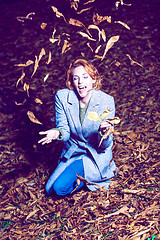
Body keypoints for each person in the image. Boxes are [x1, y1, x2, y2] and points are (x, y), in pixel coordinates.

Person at [38, 59, 117, 196]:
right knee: (49, 189)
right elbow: (64, 130)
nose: (80, 82)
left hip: (95, 154)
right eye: (76, 78)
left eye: (85, 77)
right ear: (72, 83)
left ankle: (97, 173)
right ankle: (82, 175)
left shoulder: (106, 101)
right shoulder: (62, 97)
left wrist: (105, 132)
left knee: (60, 187)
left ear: (94, 80)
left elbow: (104, 145)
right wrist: (56, 133)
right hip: (73, 152)